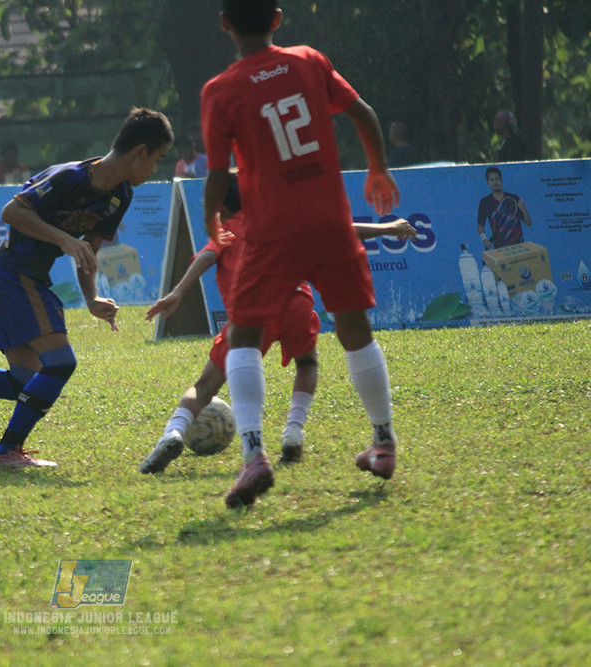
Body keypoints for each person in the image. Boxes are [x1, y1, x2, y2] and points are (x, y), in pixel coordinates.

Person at [0, 108, 174, 470]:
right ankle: (6, 451)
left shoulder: (122, 196)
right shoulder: (70, 177)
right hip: (12, 274)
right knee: (61, 362)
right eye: (157, 159)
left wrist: (91, 298)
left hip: (18, 278)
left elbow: (88, 251)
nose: (155, 169)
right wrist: (63, 239)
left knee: (23, 382)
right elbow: (12, 212)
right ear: (140, 152)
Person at [201, 0, 402, 508]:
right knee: (355, 331)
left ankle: (254, 455)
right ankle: (383, 442)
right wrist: (378, 169)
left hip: (272, 228)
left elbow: (219, 173)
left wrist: (210, 219)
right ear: (277, 18)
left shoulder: (220, 90)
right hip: (330, 219)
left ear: (224, 25)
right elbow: (363, 112)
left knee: (244, 337)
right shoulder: (309, 61)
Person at [141, 172, 416, 474]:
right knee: (307, 363)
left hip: (254, 310)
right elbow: (337, 231)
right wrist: (389, 227)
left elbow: (207, 256)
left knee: (205, 385)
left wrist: (178, 292)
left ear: (221, 208)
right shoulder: (277, 222)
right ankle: (293, 432)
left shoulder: (226, 230)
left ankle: (174, 432)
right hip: (296, 300)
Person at [476, 166, 532, 249]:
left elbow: (528, 223)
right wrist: (484, 240)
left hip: (519, 246)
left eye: (497, 179)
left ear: (501, 180)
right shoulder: (485, 202)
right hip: (500, 248)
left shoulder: (514, 199)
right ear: (488, 182)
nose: (495, 182)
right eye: (491, 180)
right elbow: (480, 225)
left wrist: (524, 209)